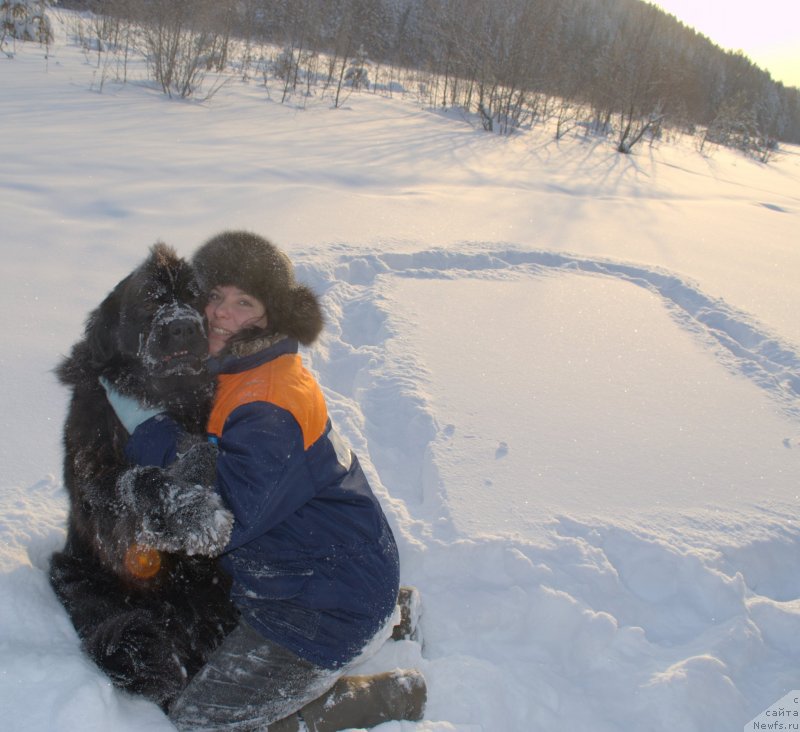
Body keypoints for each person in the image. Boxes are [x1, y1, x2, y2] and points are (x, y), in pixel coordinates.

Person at [106, 231, 425, 731]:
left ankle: (391, 694)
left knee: (200, 723)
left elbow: (219, 519)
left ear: (270, 315)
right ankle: (393, 611)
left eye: (242, 303)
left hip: (317, 612)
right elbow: (219, 457)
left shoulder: (266, 404)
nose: (219, 313)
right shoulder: (247, 369)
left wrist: (149, 438)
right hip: (333, 564)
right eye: (214, 296)